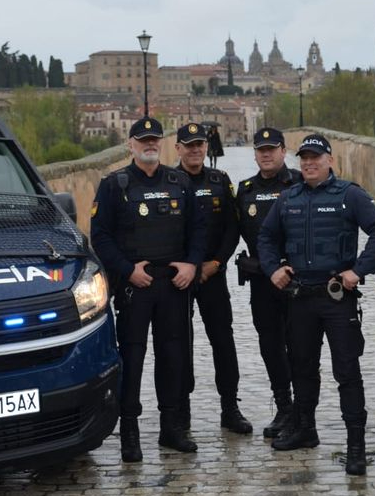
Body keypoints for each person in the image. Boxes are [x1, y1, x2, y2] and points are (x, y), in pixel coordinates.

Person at [257, 134, 375, 475]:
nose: (309, 163)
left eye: (315, 157)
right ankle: (305, 429)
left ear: (330, 159)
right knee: (301, 367)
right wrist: (273, 268)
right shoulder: (288, 198)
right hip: (300, 297)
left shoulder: (349, 195)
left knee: (347, 371)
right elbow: (266, 237)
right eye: (304, 158)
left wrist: (359, 270)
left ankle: (356, 445)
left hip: (336, 298)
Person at [90, 117, 207, 462]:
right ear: (131, 145)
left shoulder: (180, 182)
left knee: (173, 358)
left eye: (154, 139)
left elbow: (198, 230)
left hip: (173, 284)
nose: (149, 144)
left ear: (162, 142)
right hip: (136, 287)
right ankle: (130, 432)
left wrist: (191, 264)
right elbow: (100, 236)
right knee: (133, 359)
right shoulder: (115, 185)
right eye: (143, 140)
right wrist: (126, 272)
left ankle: (172, 429)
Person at [174, 122, 251, 435]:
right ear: (177, 148)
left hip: (212, 274)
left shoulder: (219, 180)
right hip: (178, 278)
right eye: (189, 145)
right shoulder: (169, 181)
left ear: (207, 147)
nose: (195, 150)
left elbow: (233, 228)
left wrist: (217, 262)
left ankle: (230, 407)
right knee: (180, 344)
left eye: (200, 144)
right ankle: (180, 411)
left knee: (223, 341)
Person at [234, 127, 302, 438]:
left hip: (297, 280)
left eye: (272, 148)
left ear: (283, 151)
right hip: (262, 280)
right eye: (261, 149)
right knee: (270, 345)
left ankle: (302, 409)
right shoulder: (246, 190)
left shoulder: (300, 183)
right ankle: (284, 407)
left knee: (300, 344)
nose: (266, 154)